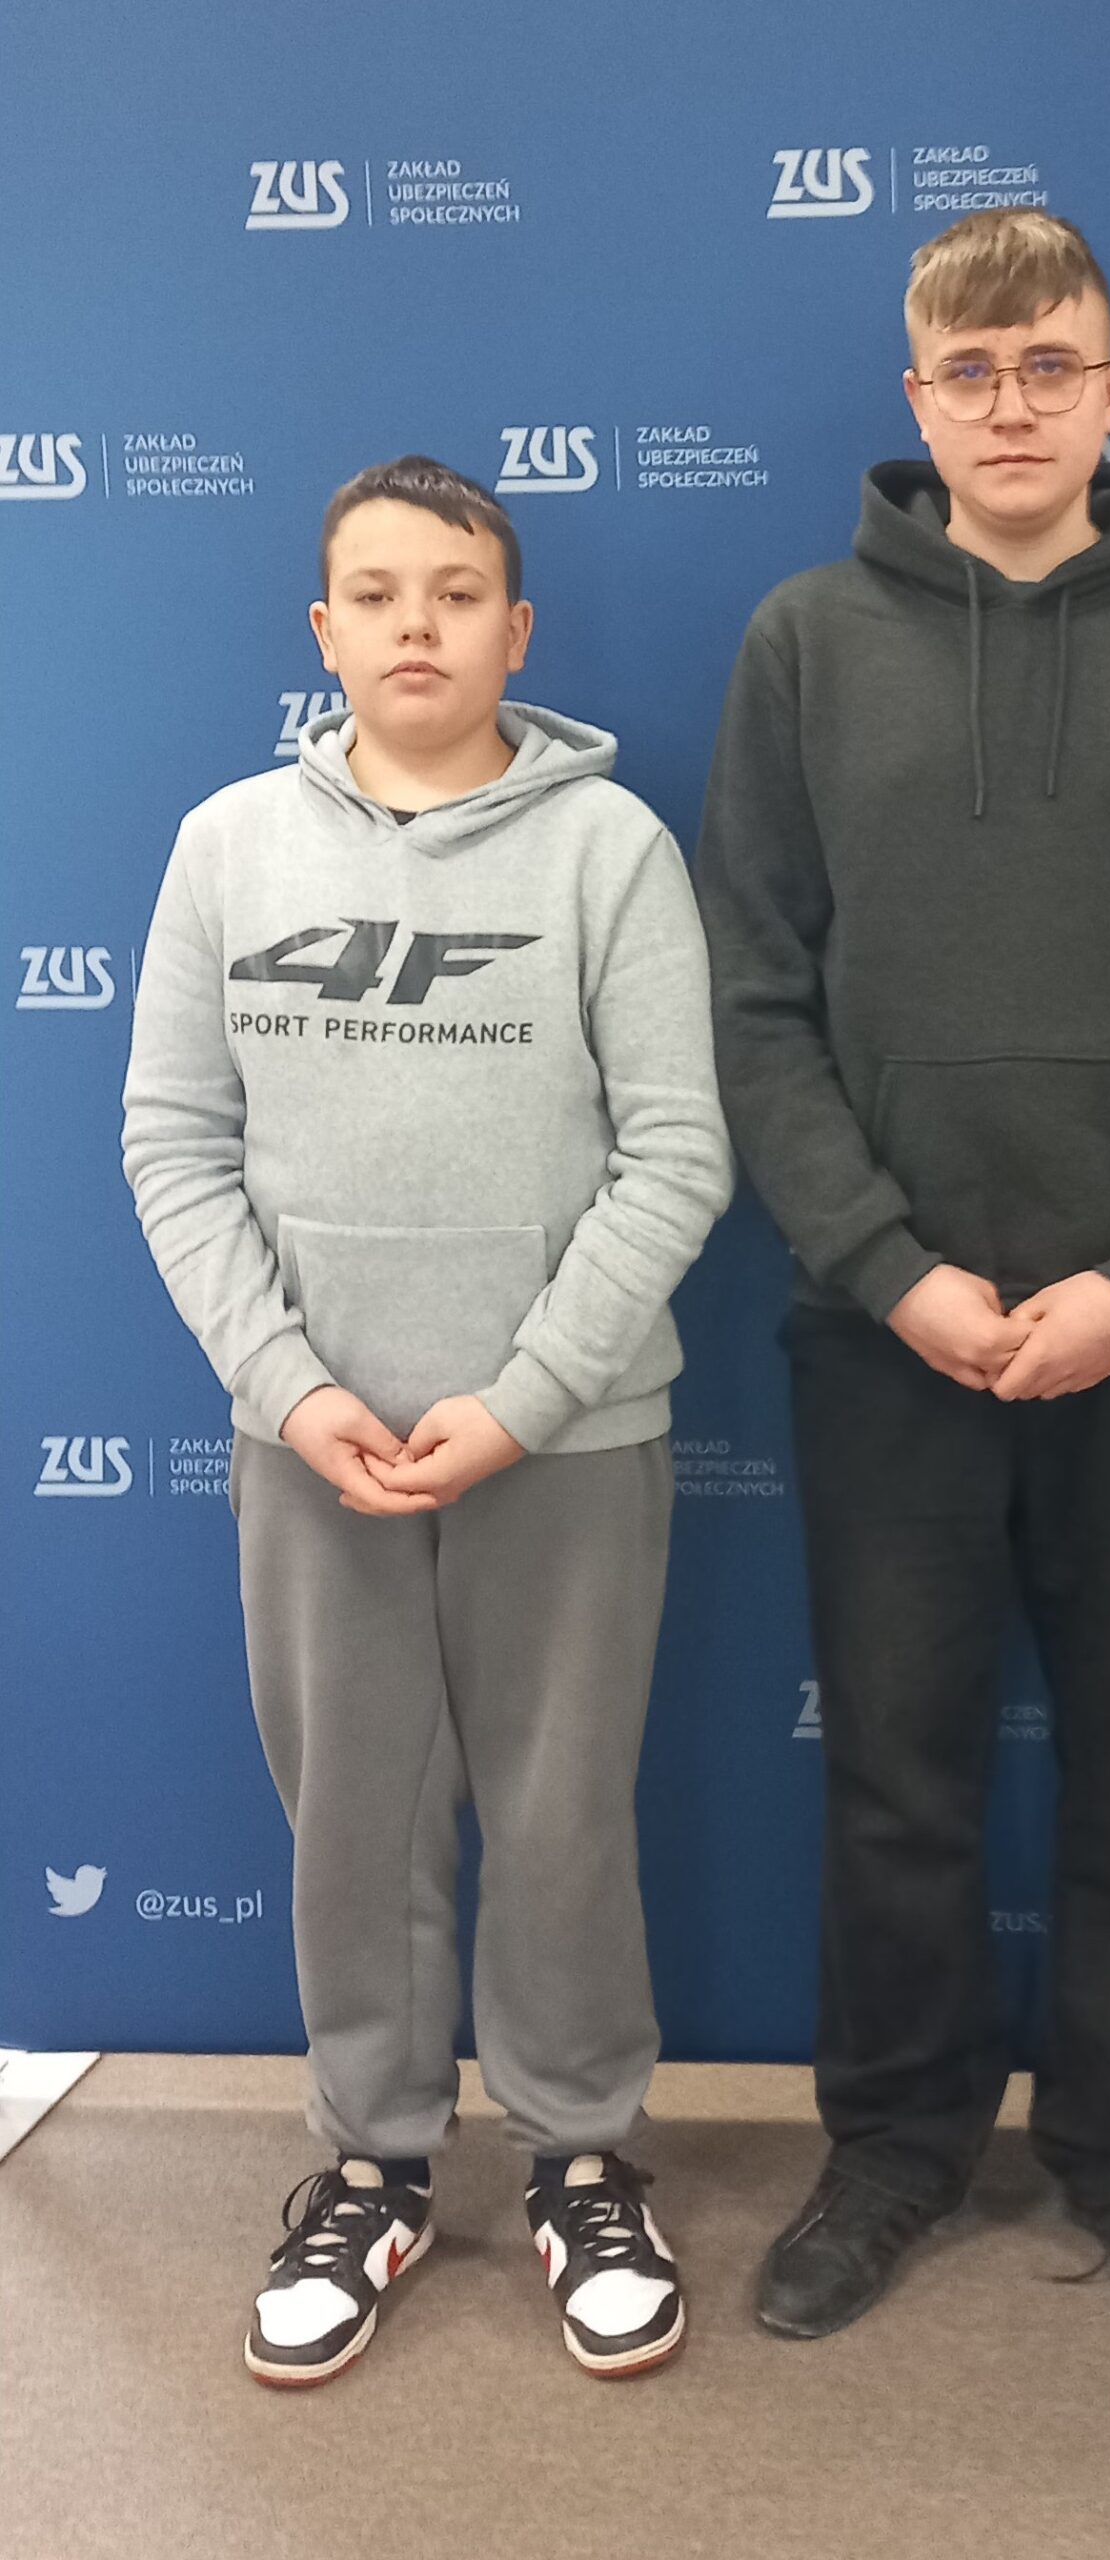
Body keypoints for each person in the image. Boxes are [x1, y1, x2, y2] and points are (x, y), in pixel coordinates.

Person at [697, 210, 1110, 2341]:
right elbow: (755, 996)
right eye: (971, 372)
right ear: (917, 400)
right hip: (887, 1330)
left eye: (1051, 365)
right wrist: (888, 1266)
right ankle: (894, 2140)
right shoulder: (803, 641)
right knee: (898, 1767)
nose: (1013, 406)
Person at [122, 456, 732, 2385]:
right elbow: (172, 1145)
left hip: (570, 1440)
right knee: (353, 1826)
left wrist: (527, 1396)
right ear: (323, 632)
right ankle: (374, 2166)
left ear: (515, 630)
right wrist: (291, 1390)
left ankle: (580, 2159)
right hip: (314, 1449)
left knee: (561, 1816)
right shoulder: (228, 846)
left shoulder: (611, 849)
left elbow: (678, 1153)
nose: (416, 626)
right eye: (377, 594)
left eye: (456, 594)